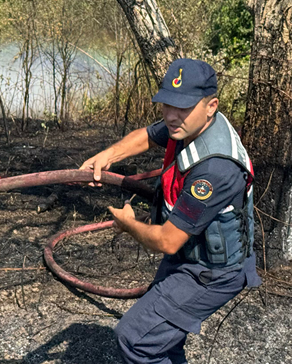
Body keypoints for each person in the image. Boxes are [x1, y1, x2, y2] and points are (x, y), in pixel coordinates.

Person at [80, 58, 261, 364]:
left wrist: (128, 224)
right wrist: (107, 155)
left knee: (135, 339)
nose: (172, 116)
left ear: (211, 105)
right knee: (162, 340)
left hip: (212, 273)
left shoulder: (215, 170)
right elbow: (150, 135)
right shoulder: (188, 125)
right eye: (166, 104)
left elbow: (167, 241)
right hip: (190, 253)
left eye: (183, 108)